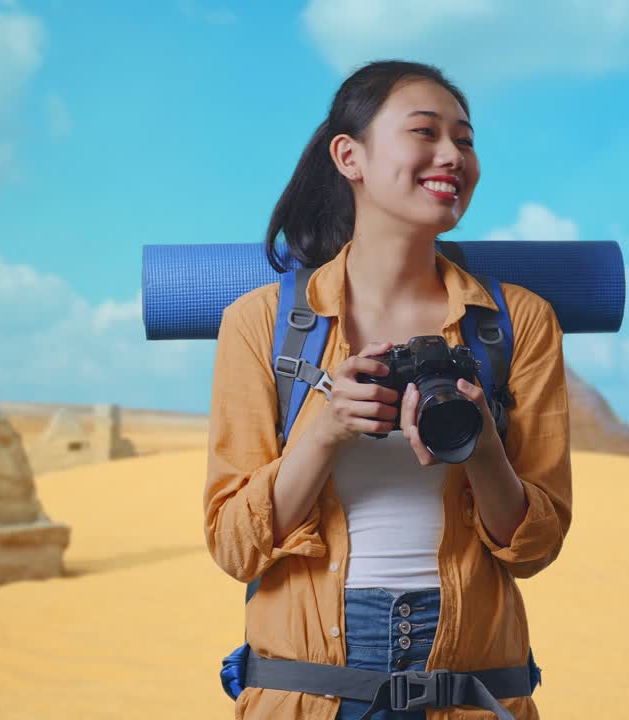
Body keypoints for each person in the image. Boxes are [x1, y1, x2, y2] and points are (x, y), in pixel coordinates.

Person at [204, 59, 572, 720]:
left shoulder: (519, 324)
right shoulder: (260, 323)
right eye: (425, 133)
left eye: (464, 139)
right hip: (307, 694)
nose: (451, 154)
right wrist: (325, 430)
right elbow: (234, 546)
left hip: (472, 694)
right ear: (350, 156)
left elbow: (536, 548)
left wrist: (482, 444)